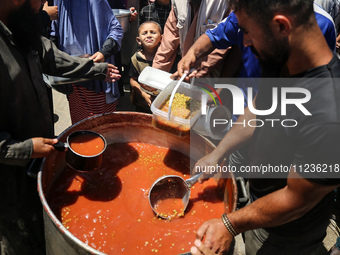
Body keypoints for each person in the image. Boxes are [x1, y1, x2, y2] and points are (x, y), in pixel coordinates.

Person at [180, 0, 340, 254]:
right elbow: (256, 112)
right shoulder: (285, 60)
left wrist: (229, 224)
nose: (243, 42)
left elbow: (295, 200)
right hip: (258, 206)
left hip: (287, 233)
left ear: (280, 26)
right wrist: (217, 154)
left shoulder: (330, 111)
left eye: (248, 32)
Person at [0, 0, 120, 254]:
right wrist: (23, 148)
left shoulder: (21, 26)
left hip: (40, 157)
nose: (45, 4)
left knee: (45, 221)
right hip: (9, 175)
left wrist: (97, 69)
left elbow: (53, 57)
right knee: (20, 237)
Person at [50, 0, 124, 124]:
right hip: (72, 77)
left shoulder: (95, 2)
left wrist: (103, 52)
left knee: (99, 126)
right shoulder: (61, 2)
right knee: (79, 125)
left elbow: (116, 29)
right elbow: (54, 32)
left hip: (96, 77)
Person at [152, 0, 230, 76]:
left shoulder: (225, 3)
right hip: (185, 68)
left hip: (212, 72)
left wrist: (195, 71)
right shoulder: (178, 2)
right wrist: (155, 73)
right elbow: (169, 40)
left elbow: (225, 38)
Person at [129, 21, 162, 112]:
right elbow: (133, 80)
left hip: (163, 103)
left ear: (161, 38)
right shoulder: (136, 59)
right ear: (139, 40)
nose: (149, 35)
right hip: (142, 103)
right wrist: (143, 94)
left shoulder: (166, 58)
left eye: (153, 32)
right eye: (144, 33)